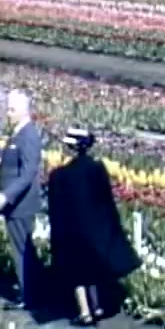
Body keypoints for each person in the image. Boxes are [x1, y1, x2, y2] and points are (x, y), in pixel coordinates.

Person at [48, 128, 141, 325]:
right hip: (96, 231)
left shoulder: (60, 175)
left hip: (72, 233)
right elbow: (107, 202)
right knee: (93, 269)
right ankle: (97, 306)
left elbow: (56, 210)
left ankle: (85, 311)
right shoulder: (97, 169)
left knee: (78, 274)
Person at [0, 90, 44, 310]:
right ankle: (30, 293)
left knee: (22, 250)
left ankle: (31, 297)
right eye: (7, 108)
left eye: (11, 109)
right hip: (13, 204)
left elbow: (28, 173)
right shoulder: (17, 133)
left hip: (21, 204)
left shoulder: (29, 136)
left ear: (24, 111)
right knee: (20, 248)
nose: (8, 113)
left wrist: (6, 195)